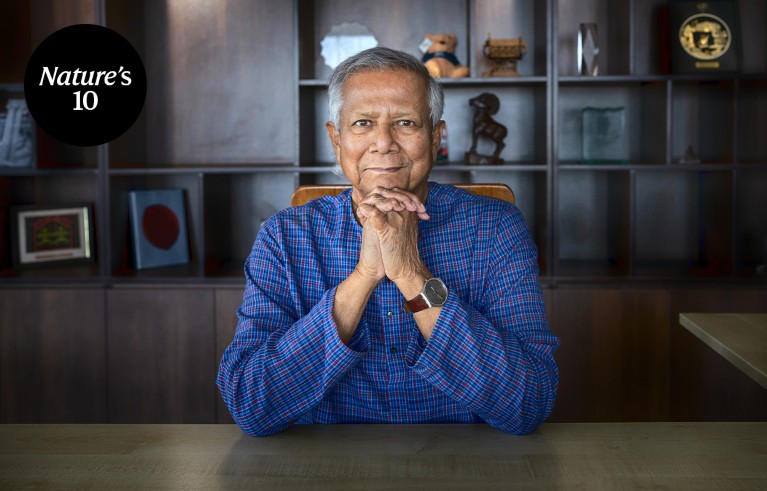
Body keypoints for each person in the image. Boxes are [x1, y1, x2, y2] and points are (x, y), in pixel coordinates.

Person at [217, 46, 558, 437]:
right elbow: (250, 404)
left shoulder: (495, 227)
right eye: (362, 123)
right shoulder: (284, 237)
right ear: (336, 139)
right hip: (323, 465)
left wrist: (410, 274)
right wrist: (364, 276)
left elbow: (528, 402)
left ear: (436, 137)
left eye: (406, 123)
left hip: (467, 462)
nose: (383, 143)